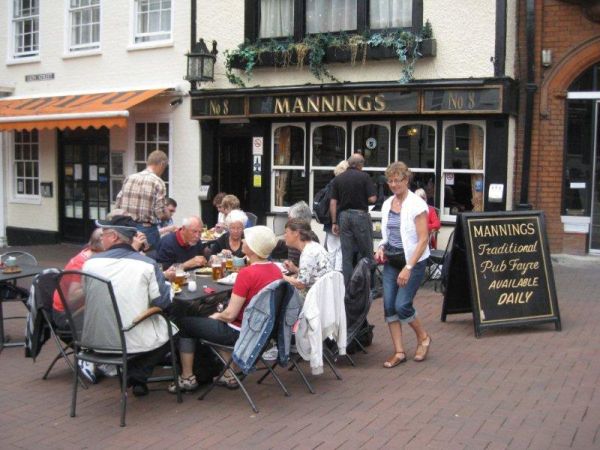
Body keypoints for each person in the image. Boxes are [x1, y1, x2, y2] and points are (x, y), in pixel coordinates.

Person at [168, 226, 281, 392]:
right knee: (211, 318)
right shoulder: (275, 270)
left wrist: (216, 316)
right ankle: (229, 373)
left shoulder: (247, 274)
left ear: (254, 248)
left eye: (246, 239)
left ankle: (187, 378)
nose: (242, 240)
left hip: (239, 332)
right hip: (262, 330)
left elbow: (229, 315)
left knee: (183, 323)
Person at [83, 215, 175, 396]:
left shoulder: (89, 264)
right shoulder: (147, 264)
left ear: (115, 237)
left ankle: (135, 375)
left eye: (104, 234)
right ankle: (137, 376)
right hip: (130, 339)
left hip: (94, 338)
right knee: (175, 327)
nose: (101, 238)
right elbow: (162, 302)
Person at [375, 162, 432, 367]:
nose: (393, 184)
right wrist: (381, 246)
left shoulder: (417, 204)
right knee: (389, 306)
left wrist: (408, 267)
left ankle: (424, 337)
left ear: (406, 180)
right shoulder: (387, 203)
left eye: (397, 180)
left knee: (402, 305)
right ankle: (399, 352)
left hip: (413, 262)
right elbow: (387, 233)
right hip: (392, 261)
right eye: (390, 181)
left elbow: (423, 239)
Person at [330, 153, 377, 286]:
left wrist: (334, 222)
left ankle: (348, 288)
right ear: (360, 165)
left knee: (347, 255)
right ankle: (369, 286)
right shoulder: (364, 177)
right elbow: (372, 198)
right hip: (360, 216)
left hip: (343, 217)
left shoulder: (338, 179)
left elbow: (333, 202)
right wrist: (361, 198)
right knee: (367, 252)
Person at [115, 150, 170, 250]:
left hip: (126, 228)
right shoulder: (158, 182)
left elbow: (118, 203)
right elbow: (159, 213)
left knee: (127, 258)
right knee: (148, 259)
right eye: (164, 167)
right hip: (146, 229)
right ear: (162, 164)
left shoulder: (129, 178)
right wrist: (167, 215)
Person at [52, 228, 104, 331]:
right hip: (68, 315)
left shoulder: (91, 254)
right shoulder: (82, 264)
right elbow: (72, 298)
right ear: (102, 242)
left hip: (81, 309)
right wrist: (94, 283)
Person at [283, 219, 332, 299]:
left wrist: (279, 275)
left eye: (286, 232)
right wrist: (295, 269)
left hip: (317, 297)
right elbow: (314, 273)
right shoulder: (314, 246)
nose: (284, 235)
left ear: (296, 233)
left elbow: (300, 284)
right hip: (325, 293)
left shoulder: (308, 254)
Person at [323, 160, 348, 271]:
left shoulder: (331, 183)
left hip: (330, 221)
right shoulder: (341, 185)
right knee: (340, 250)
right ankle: (336, 275)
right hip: (337, 220)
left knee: (332, 249)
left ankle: (331, 274)